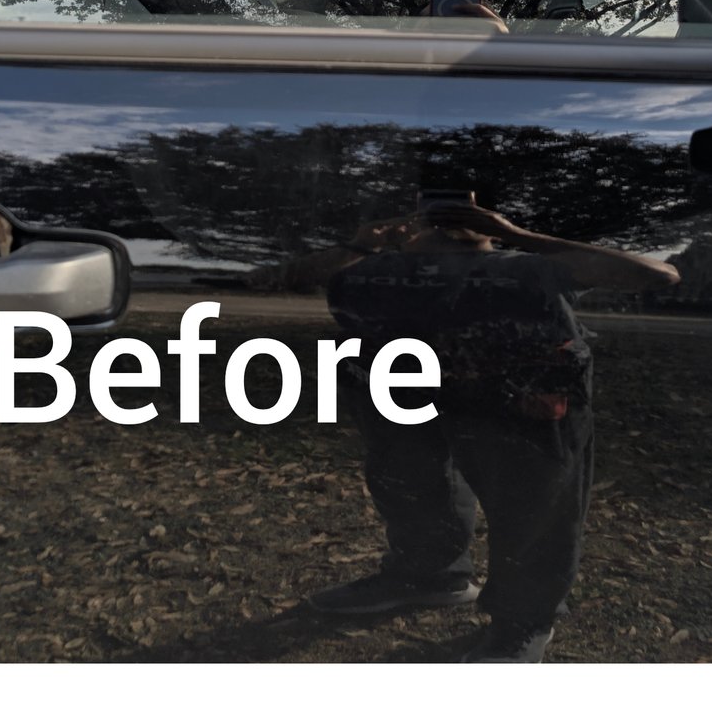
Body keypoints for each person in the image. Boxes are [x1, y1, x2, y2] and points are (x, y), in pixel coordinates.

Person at [284, 194, 679, 662]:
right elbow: (285, 279)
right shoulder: (372, 267)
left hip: (522, 405)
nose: (449, 220)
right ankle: (429, 577)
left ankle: (524, 619)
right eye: (435, 211)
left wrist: (522, 236)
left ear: (489, 223)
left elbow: (658, 276)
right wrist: (360, 245)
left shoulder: (529, 267)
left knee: (533, 508)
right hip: (403, 397)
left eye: (465, 212)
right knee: (412, 487)